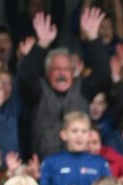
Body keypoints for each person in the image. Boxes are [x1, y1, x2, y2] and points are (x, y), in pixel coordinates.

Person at [17, 8, 111, 159]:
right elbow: (24, 78)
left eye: (67, 69)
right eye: (57, 69)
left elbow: (104, 75)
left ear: (73, 72)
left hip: (79, 167)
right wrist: (41, 44)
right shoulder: (38, 90)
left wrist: (93, 37)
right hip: (43, 167)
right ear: (47, 72)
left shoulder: (83, 88)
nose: (62, 73)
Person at [39, 112, 112, 185]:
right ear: (63, 134)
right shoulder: (51, 162)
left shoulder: (100, 163)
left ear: (89, 135)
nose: (79, 135)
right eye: (74, 131)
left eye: (84, 131)